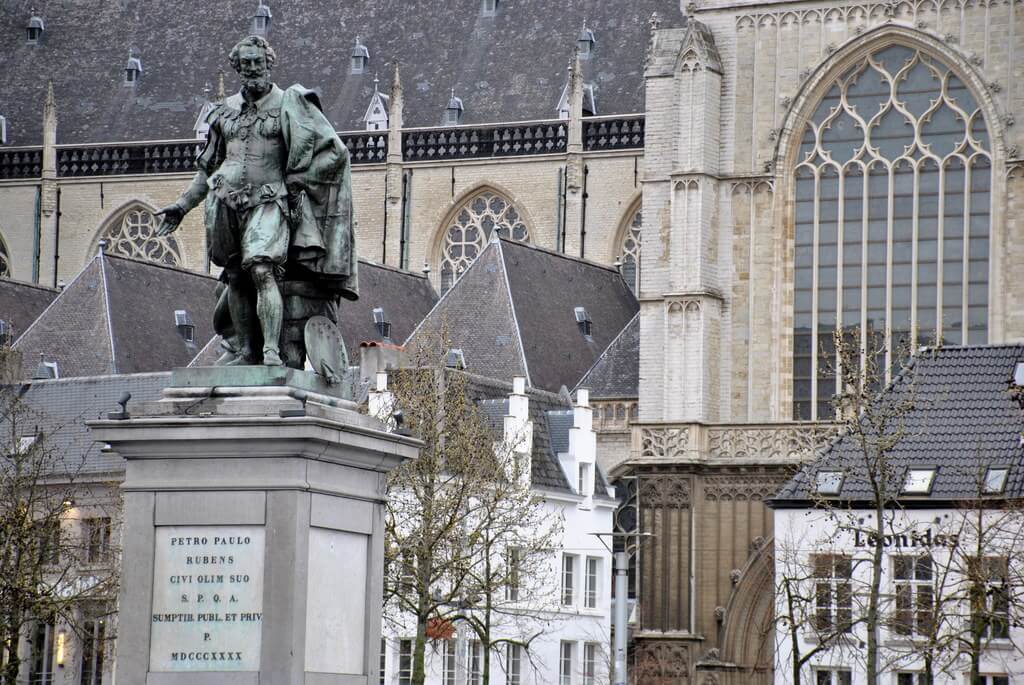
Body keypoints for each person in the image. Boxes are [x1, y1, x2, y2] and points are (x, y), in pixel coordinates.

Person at [157, 35, 357, 368]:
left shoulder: (290, 103)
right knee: (235, 276)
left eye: (258, 62)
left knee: (264, 270)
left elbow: (336, 152)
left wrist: (299, 181)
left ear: (269, 64)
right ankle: (247, 350)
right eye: (246, 63)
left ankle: (271, 352)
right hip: (225, 201)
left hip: (268, 199)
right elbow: (207, 168)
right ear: (237, 67)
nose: (252, 69)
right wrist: (182, 205)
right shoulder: (224, 112)